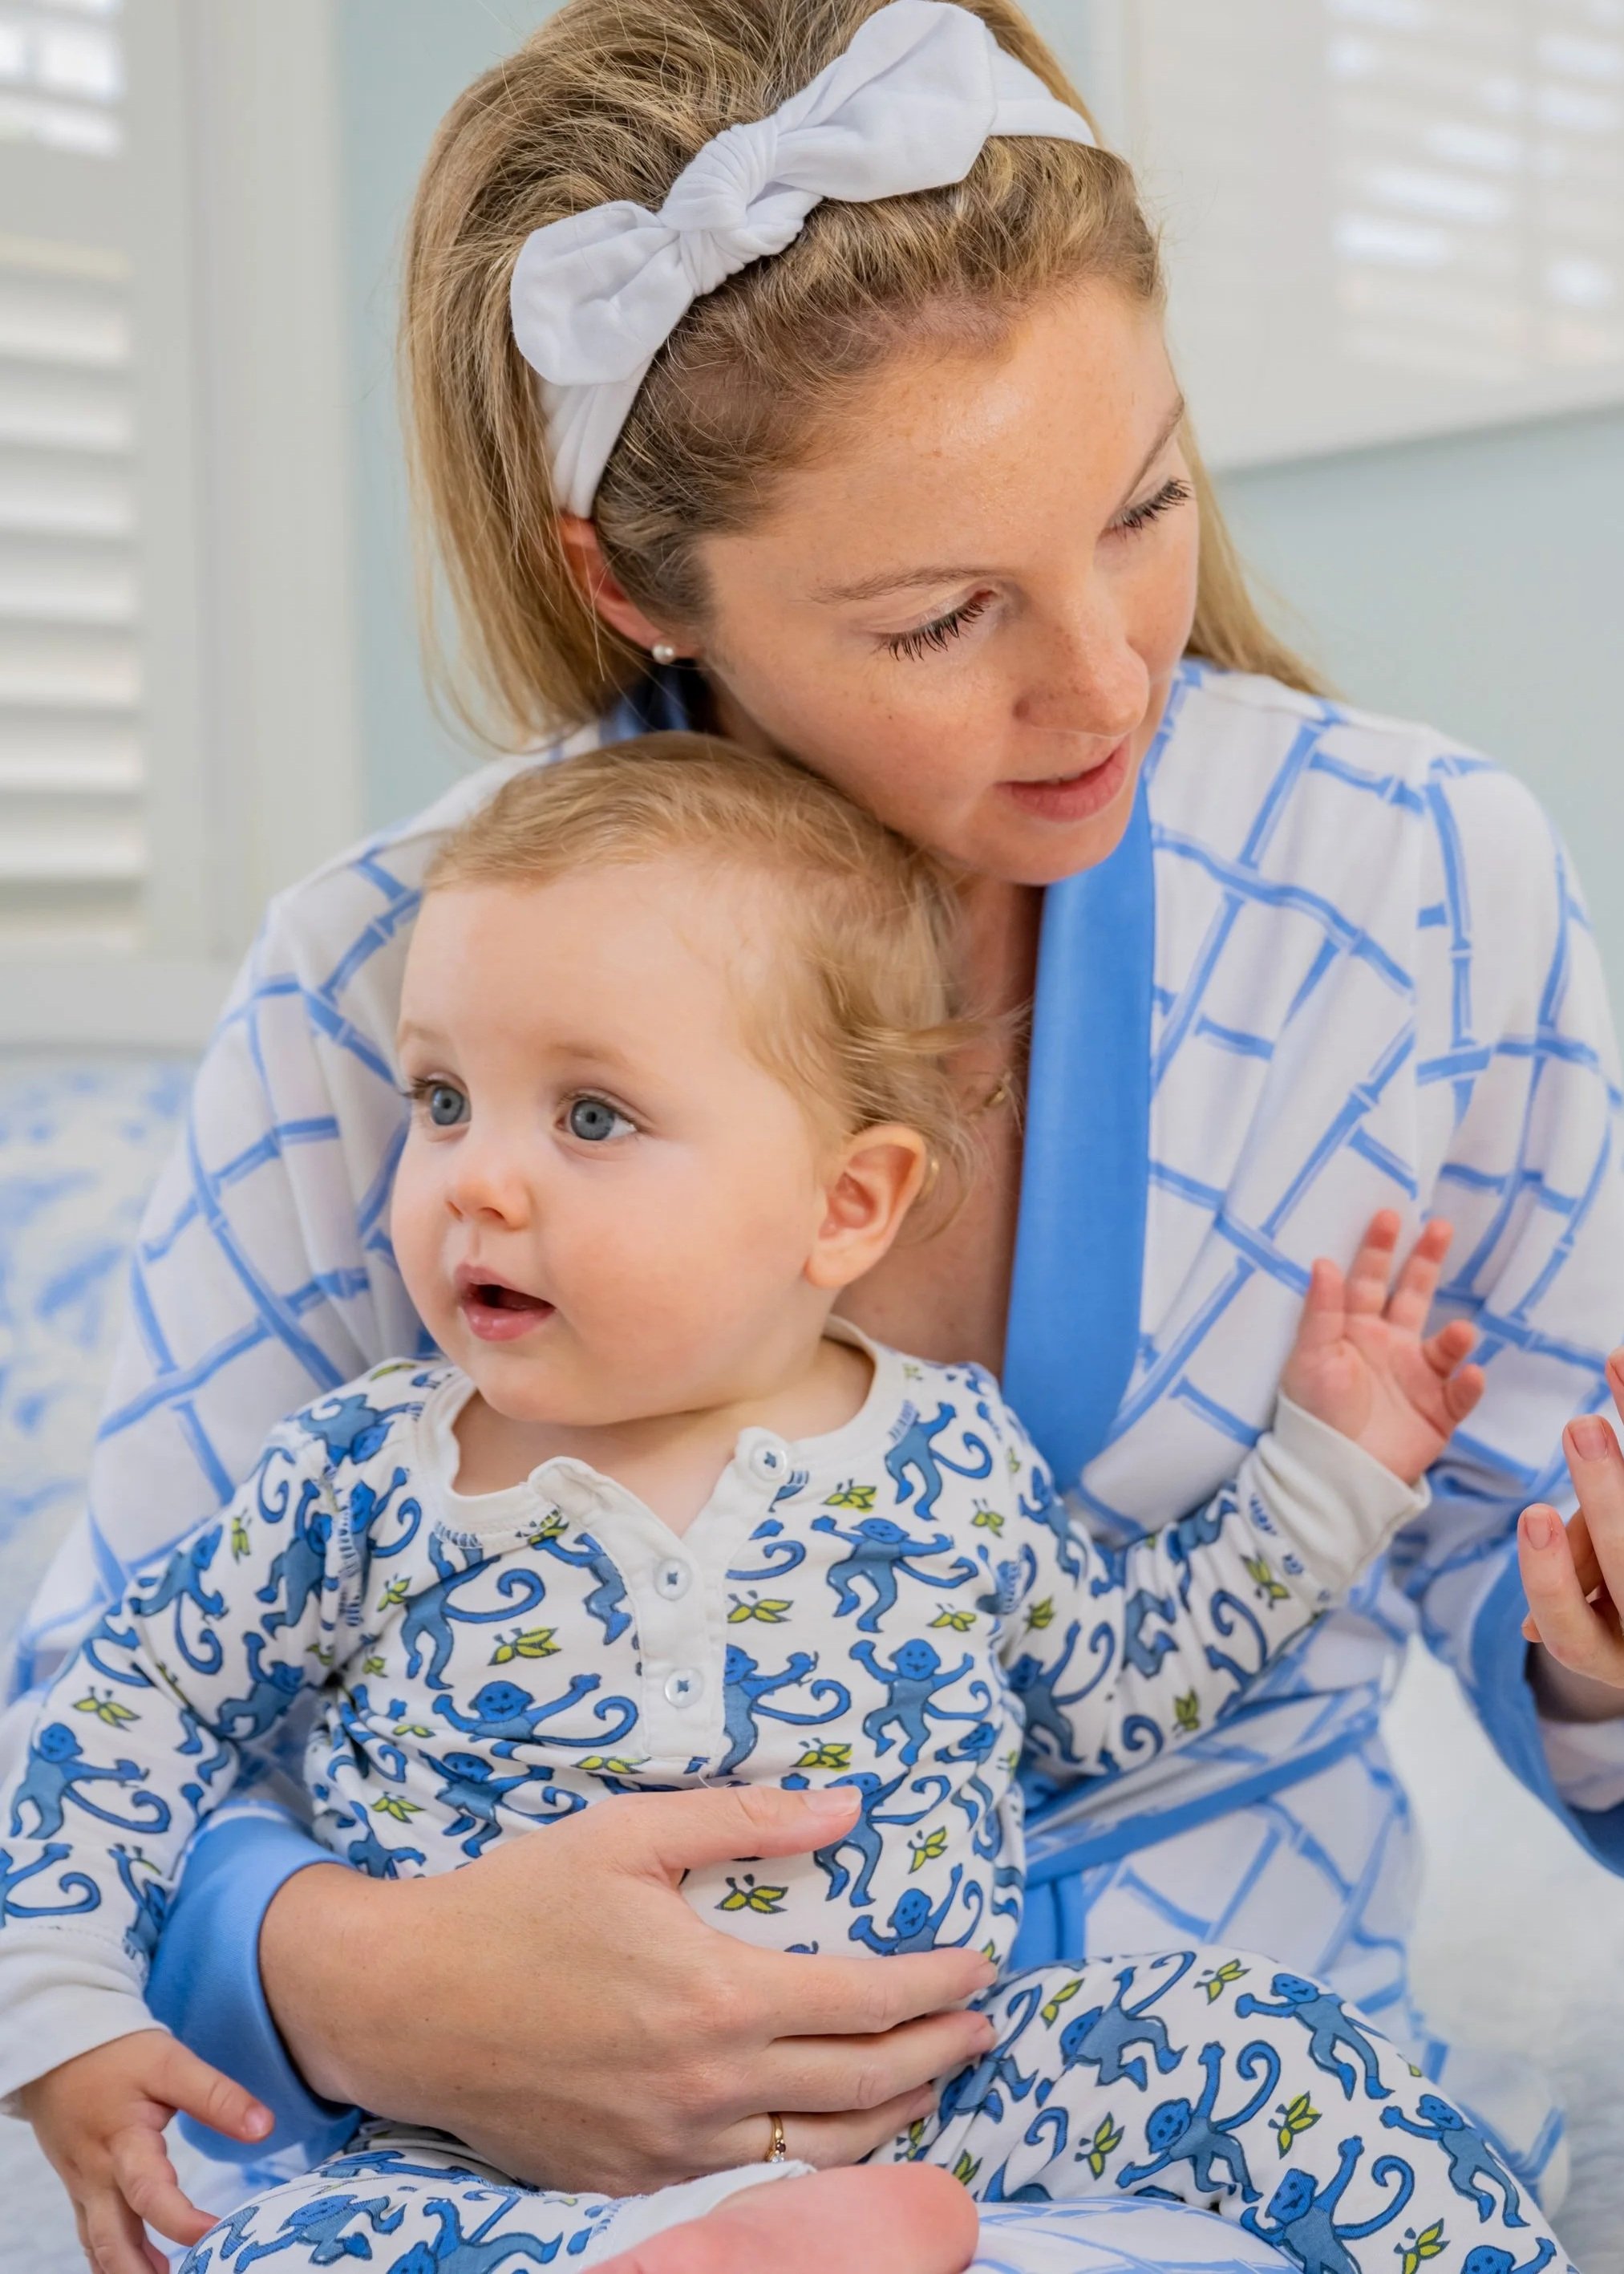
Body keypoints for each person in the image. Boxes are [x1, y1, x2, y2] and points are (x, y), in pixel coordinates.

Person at [6, 2, 1623, 2266]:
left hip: (1139, 2100)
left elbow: (1475, 1599)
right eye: (941, 616)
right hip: (504, 2156)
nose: (1106, 679)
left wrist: (1586, 1640)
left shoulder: (1418, 880)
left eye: (1145, 502)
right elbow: (107, 1710)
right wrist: (355, 1978)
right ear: (628, 583)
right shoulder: (383, 980)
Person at [10, 735, 1561, 2274]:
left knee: (1272, 2052)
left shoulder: (945, 1453)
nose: (475, 1179)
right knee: (277, 2245)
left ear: (845, 1202)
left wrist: (1327, 1480)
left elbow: (1114, 1687)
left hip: (943, 2090)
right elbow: (136, 1698)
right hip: (482, 2149)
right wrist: (60, 2002)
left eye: (590, 1116)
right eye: (442, 1097)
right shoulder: (360, 1479)